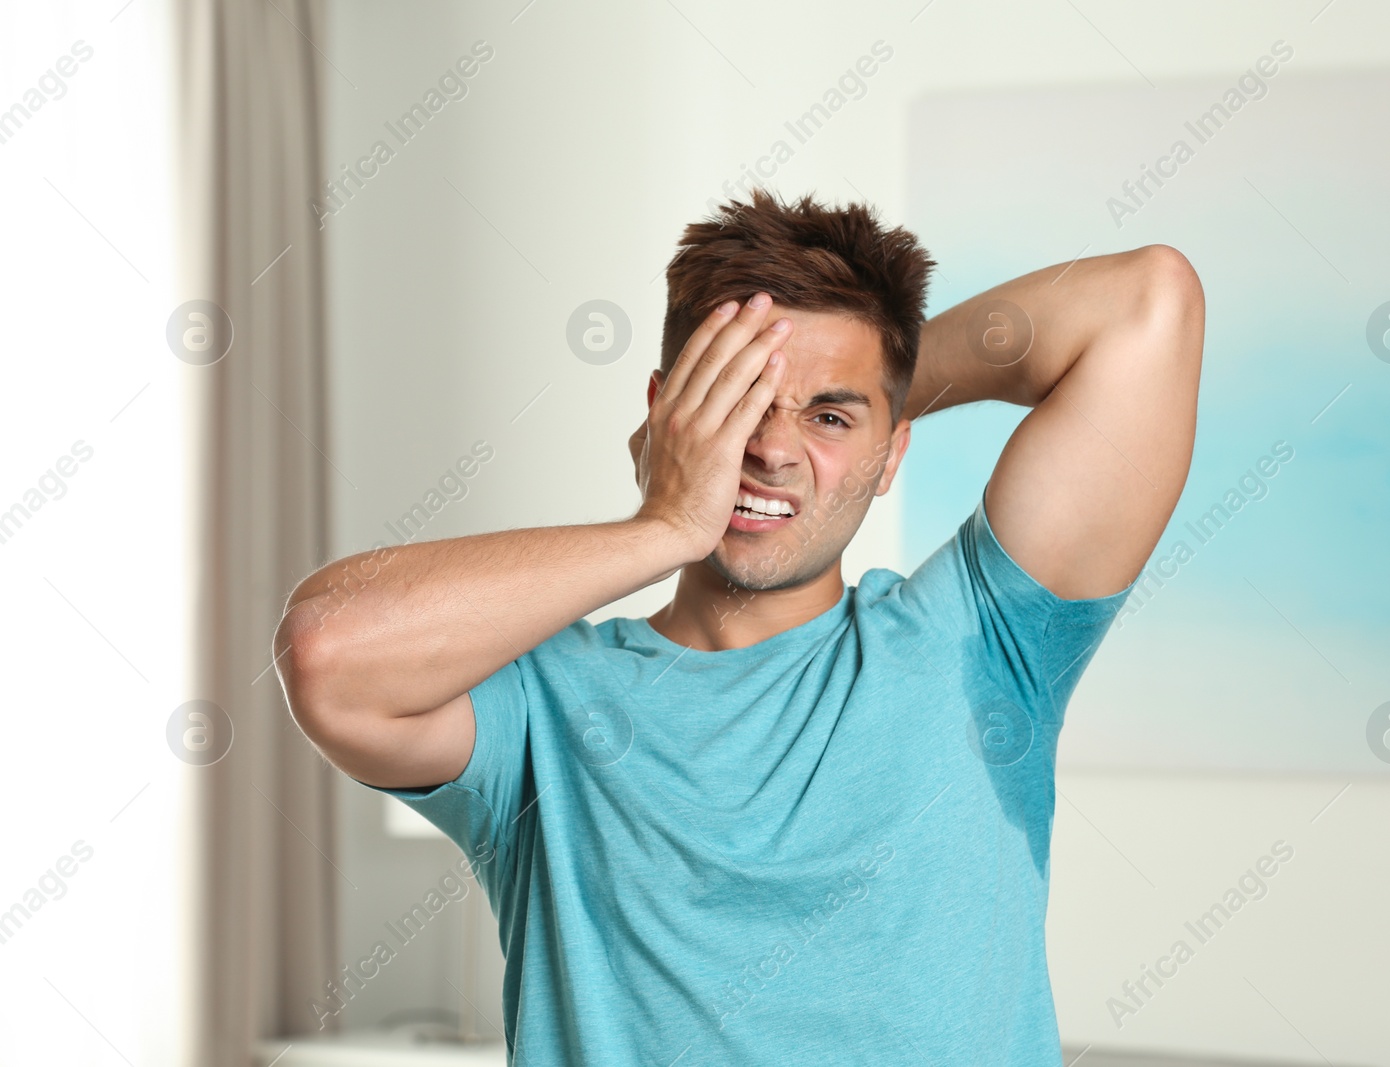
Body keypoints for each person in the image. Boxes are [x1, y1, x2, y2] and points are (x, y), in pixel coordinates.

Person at [274, 188, 1203, 1065]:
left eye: (829, 416)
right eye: (742, 403)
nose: (771, 448)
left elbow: (1146, 303)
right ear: (666, 411)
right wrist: (664, 524)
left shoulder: (981, 647)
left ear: (892, 452)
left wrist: (881, 388)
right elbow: (326, 651)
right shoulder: (543, 707)